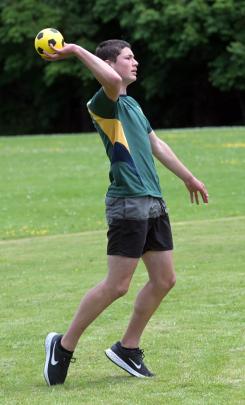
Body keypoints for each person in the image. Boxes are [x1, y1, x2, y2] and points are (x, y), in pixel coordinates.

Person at [43, 39, 208, 386]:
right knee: (117, 285)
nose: (136, 62)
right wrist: (73, 50)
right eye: (128, 57)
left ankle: (127, 348)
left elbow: (156, 143)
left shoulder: (131, 105)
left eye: (135, 57)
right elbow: (113, 83)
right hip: (127, 203)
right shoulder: (104, 103)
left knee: (165, 279)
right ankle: (63, 345)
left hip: (152, 201)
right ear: (108, 63)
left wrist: (188, 177)